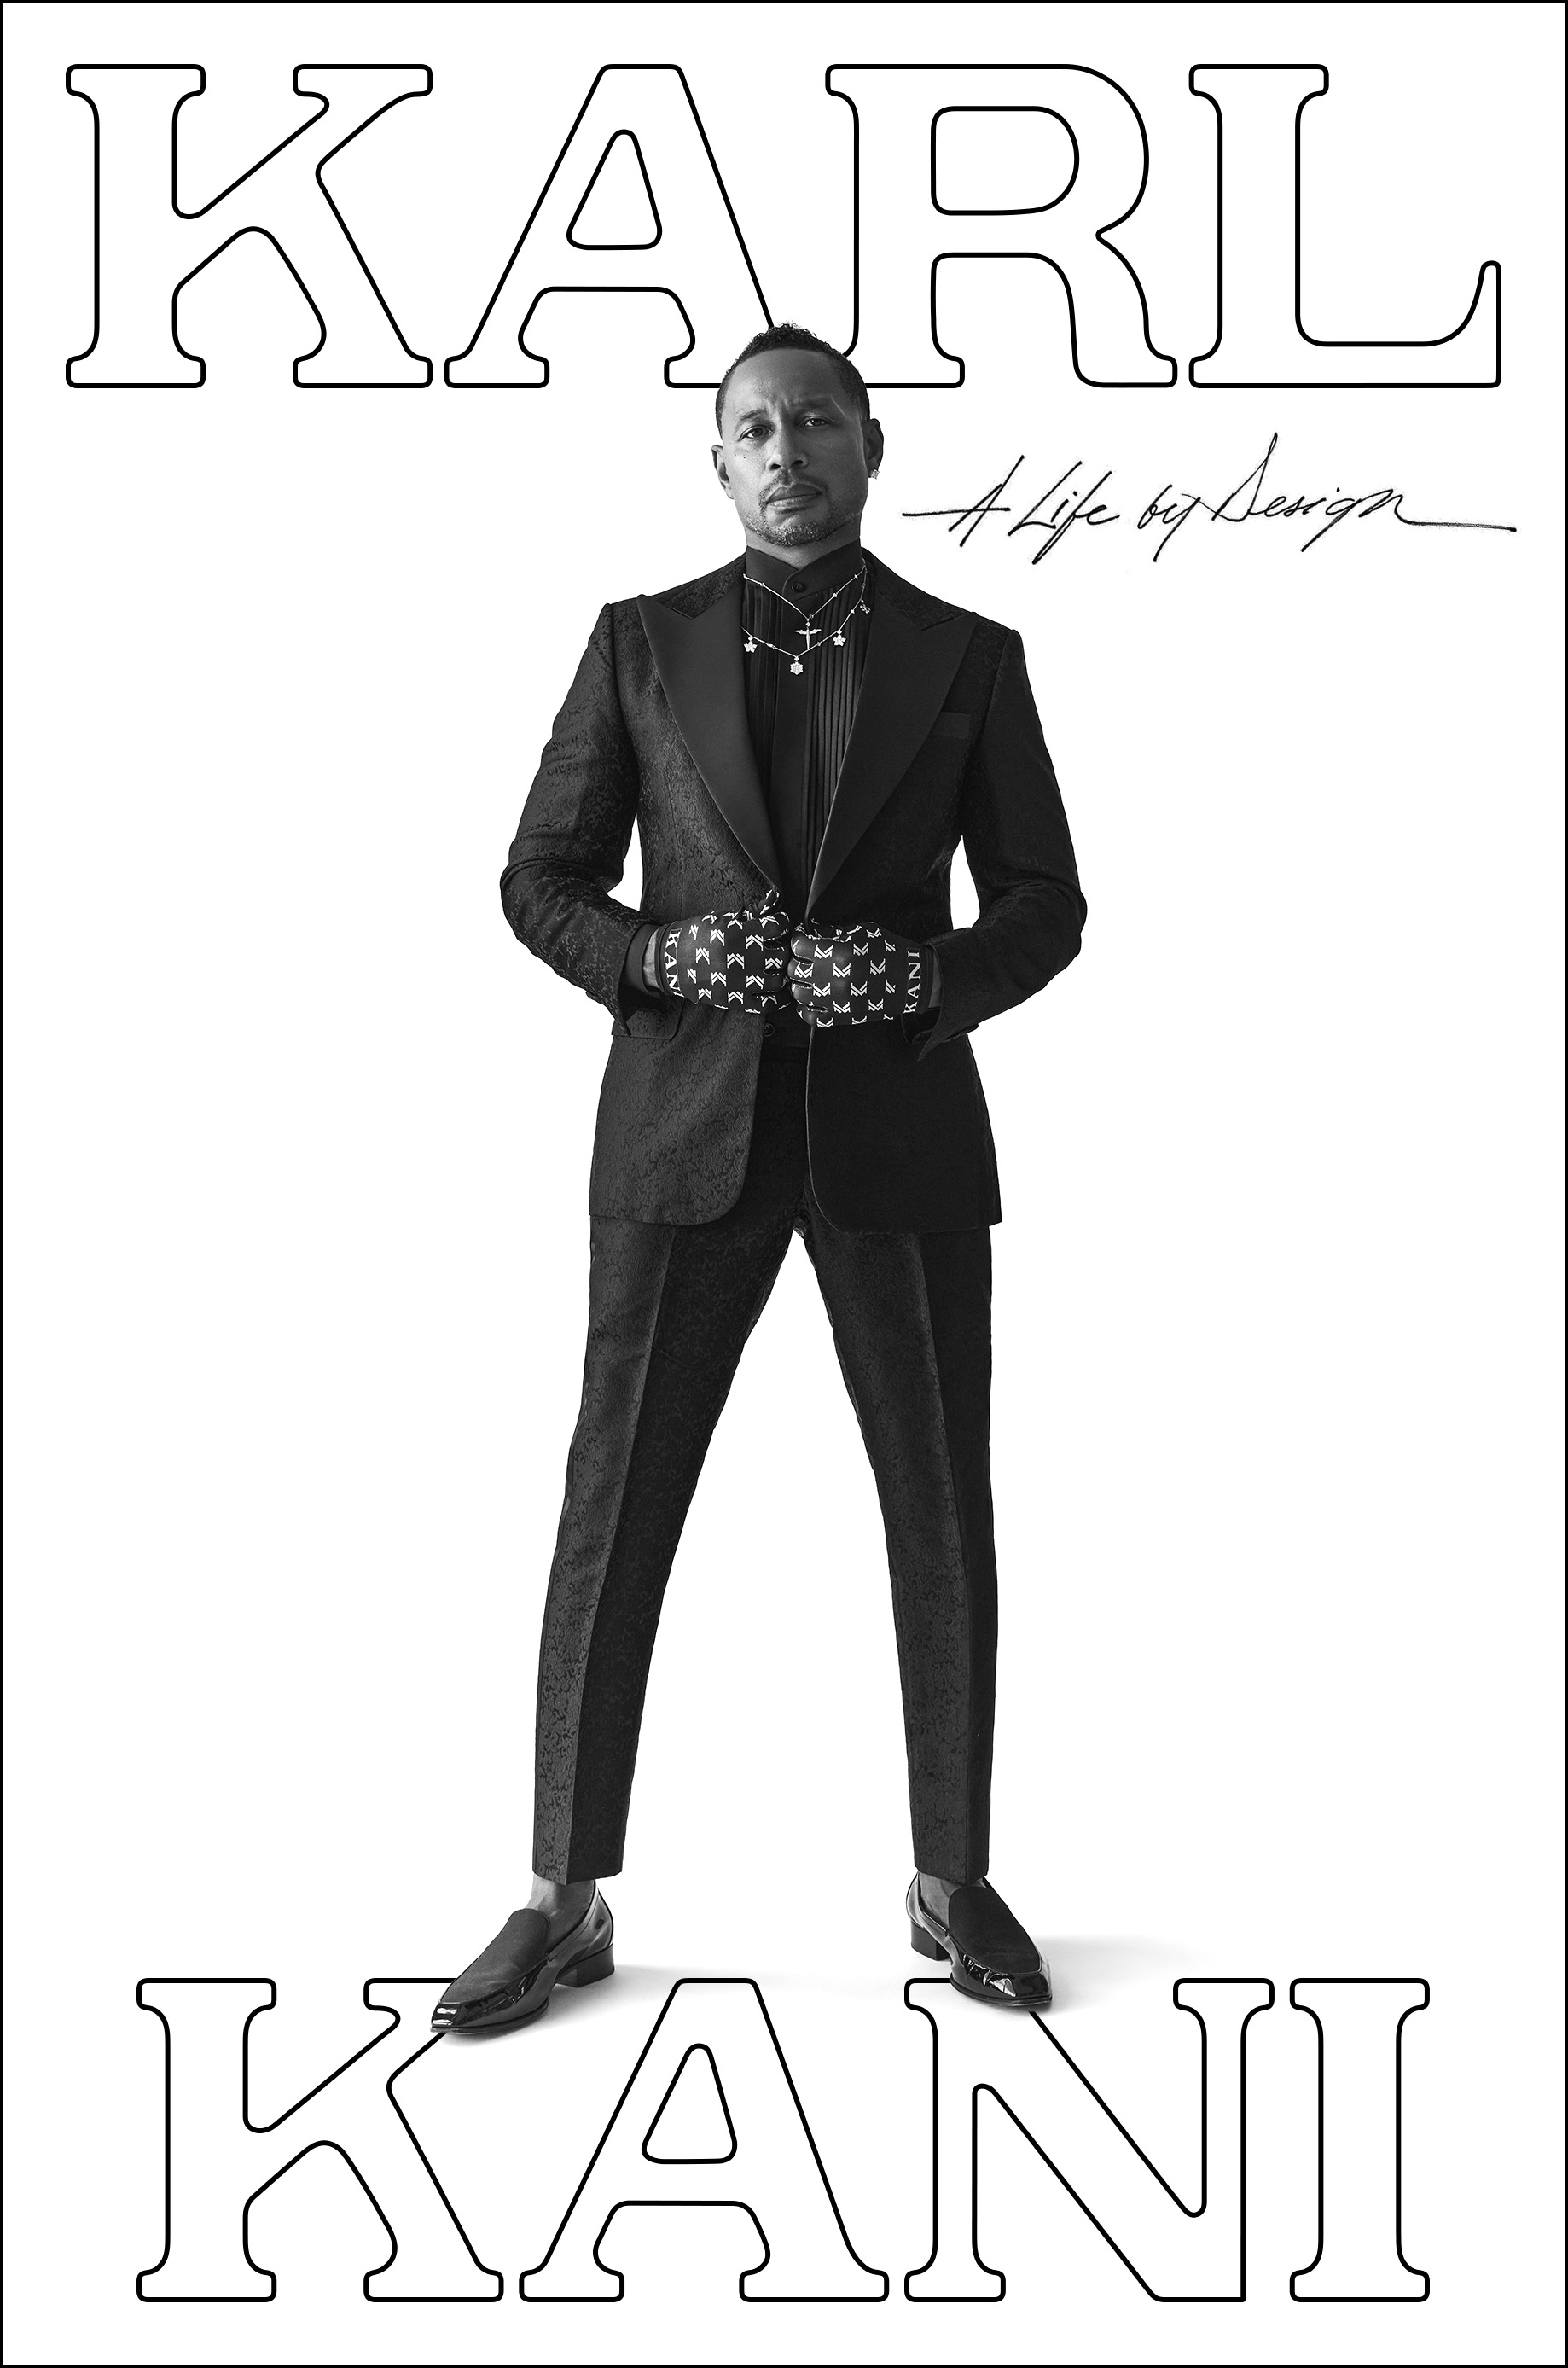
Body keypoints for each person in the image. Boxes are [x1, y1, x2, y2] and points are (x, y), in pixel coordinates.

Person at [433, 325, 1086, 2033]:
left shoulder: (971, 657)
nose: (785, 450)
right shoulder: (635, 644)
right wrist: (656, 956)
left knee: (941, 1505)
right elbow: (538, 877)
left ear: (870, 445)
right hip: (678, 1137)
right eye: (752, 429)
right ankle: (559, 1895)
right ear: (717, 463)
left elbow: (1044, 900)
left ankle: (951, 1878)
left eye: (814, 422)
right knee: (611, 1508)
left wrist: (928, 975)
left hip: (900, 1136)